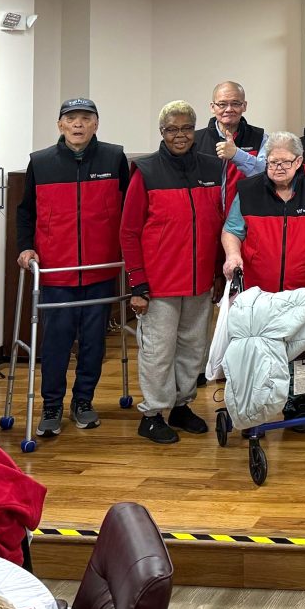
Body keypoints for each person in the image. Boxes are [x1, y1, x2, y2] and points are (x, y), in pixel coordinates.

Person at [15, 96, 131, 437]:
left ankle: (83, 401)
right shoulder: (41, 162)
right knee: (56, 342)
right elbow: (26, 211)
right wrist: (25, 247)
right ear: (60, 125)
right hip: (56, 270)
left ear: (96, 124)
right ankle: (51, 405)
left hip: (100, 268)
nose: (78, 124)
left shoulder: (114, 157)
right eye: (71, 118)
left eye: (85, 118)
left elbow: (129, 208)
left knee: (94, 342)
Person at [121, 101, 226, 444]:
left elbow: (218, 224)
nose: (179, 135)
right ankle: (152, 414)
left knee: (193, 349)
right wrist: (138, 284)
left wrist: (217, 273)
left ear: (195, 130)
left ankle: (181, 406)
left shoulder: (213, 167)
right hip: (159, 283)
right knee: (158, 351)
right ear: (162, 132)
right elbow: (129, 232)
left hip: (200, 280)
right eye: (171, 129)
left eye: (186, 128)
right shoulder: (146, 170)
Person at [220, 130, 305, 423]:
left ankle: (298, 402)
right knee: (257, 350)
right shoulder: (248, 191)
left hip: (301, 289)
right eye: (272, 162)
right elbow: (232, 230)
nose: (278, 168)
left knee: (299, 349)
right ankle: (253, 405)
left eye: (285, 162)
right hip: (258, 291)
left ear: (299, 161)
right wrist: (233, 255)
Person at [193, 80, 268, 205]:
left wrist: (236, 155)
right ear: (212, 107)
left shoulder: (261, 138)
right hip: (206, 214)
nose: (229, 109)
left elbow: (268, 176)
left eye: (235, 103)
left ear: (244, 106)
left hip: (244, 214)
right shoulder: (195, 140)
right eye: (222, 104)